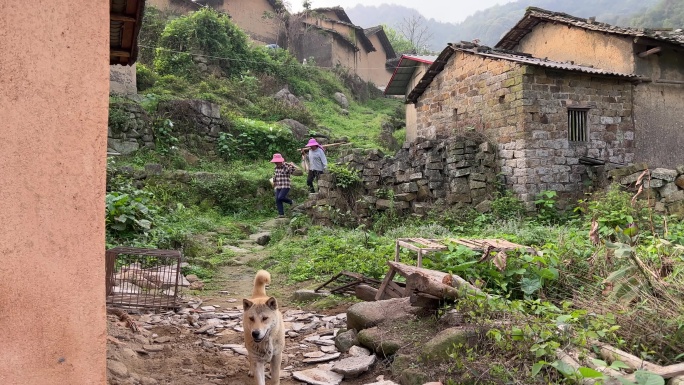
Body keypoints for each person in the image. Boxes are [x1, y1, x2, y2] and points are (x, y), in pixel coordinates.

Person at [270, 153, 299, 218]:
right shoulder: (276, 168)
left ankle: (291, 202)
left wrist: (293, 165)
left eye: (277, 162)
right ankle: (281, 214)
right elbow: (275, 176)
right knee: (277, 199)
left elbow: (298, 171)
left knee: (280, 197)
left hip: (285, 185)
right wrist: (273, 182)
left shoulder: (286, 166)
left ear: (280, 161)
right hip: (278, 185)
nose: (276, 163)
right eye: (275, 162)